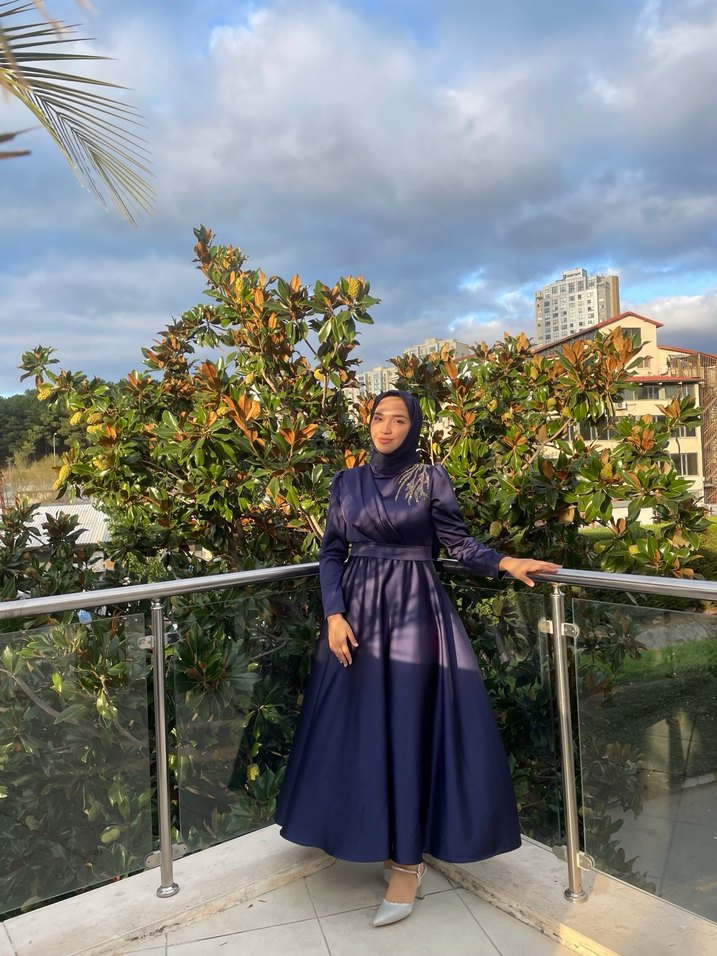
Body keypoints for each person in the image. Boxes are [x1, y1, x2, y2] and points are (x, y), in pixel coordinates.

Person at [275, 390, 561, 927]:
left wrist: (504, 561)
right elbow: (332, 552)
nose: (386, 428)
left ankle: (407, 864)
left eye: (399, 419)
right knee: (361, 730)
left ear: (414, 427)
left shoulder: (430, 479)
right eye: (378, 418)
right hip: (357, 617)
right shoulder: (346, 482)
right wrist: (334, 614)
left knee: (407, 729)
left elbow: (459, 545)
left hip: (414, 614)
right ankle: (374, 836)